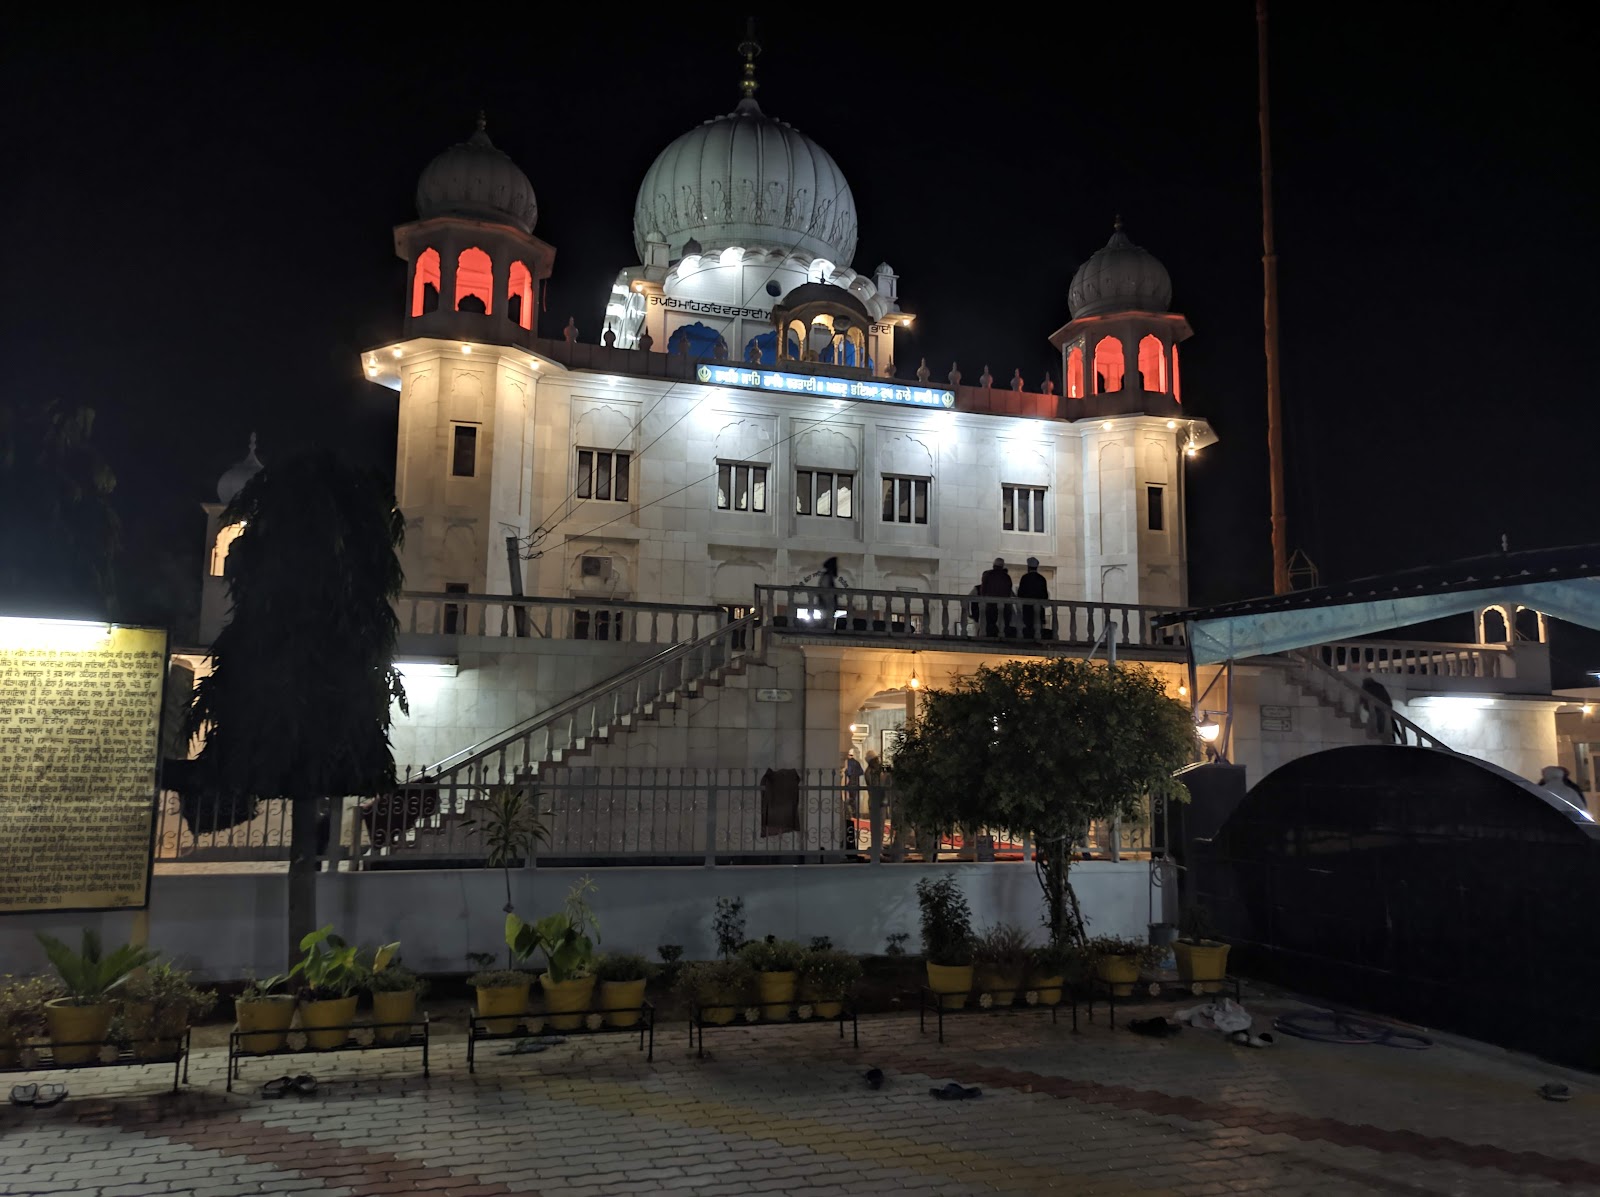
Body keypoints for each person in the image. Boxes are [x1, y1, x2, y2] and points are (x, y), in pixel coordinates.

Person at [979, 557, 1013, 637]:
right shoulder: (1006, 577)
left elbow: (983, 590)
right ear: (1002, 566)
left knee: (990, 623)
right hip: (1004, 605)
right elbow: (1008, 591)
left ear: (994, 565)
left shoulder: (988, 575)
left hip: (990, 604)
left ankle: (990, 636)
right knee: (1004, 624)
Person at [1017, 556, 1049, 638]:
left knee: (1028, 628)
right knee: (1038, 629)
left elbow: (1020, 594)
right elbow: (1045, 595)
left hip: (1027, 608)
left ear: (1028, 567)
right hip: (1039, 608)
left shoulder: (1025, 578)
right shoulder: (1042, 579)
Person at [842, 750, 864, 849]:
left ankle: (850, 814)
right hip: (855, 784)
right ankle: (854, 814)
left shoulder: (848, 762)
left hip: (849, 783)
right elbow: (860, 773)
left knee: (848, 800)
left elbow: (848, 773)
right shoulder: (856, 762)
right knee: (853, 800)